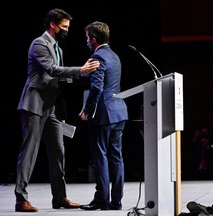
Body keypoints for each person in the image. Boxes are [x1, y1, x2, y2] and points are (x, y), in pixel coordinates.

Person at [14, 8, 100, 212]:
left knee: (58, 151)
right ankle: (21, 199)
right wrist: (79, 69)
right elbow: (51, 69)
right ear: (53, 24)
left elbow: (59, 77)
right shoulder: (39, 44)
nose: (66, 31)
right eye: (64, 27)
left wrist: (82, 76)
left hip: (51, 107)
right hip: (34, 104)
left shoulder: (58, 49)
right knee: (29, 152)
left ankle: (60, 198)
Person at [78, 21, 128, 211]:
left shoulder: (97, 56)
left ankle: (102, 201)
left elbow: (97, 87)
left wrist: (87, 110)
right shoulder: (115, 56)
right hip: (119, 113)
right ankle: (116, 201)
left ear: (93, 39)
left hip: (103, 115)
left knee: (100, 156)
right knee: (116, 157)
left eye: (87, 38)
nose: (87, 42)